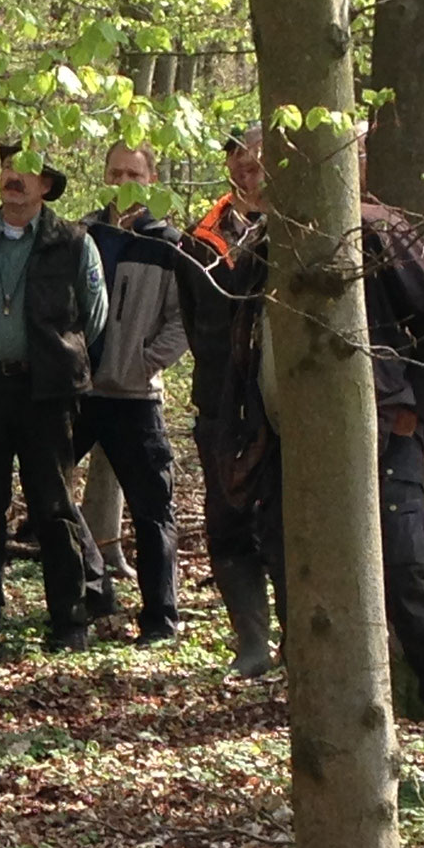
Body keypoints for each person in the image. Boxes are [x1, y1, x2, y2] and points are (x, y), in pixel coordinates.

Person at [218, 131, 424, 778]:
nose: (266, 176)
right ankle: (332, 715)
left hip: (379, 438)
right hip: (283, 443)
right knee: (294, 572)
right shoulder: (259, 244)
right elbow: (237, 347)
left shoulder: (376, 233)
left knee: (404, 572)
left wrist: (409, 415)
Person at [0, 142, 109, 654]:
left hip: (47, 395)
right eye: (8, 168)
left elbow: (95, 315)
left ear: (46, 186)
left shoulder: (74, 242)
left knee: (54, 508)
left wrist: (61, 361)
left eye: (27, 172)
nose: (13, 177)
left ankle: (69, 622)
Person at [73, 141, 189, 643]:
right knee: (45, 491)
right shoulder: (81, 233)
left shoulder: (169, 243)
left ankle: (161, 619)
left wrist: (146, 361)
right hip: (77, 392)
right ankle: (95, 590)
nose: (123, 183)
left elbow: (184, 320)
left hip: (135, 398)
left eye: (134, 174)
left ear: (151, 180)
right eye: (115, 173)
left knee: (152, 510)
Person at [182, 126, 279, 676]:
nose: (248, 166)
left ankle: (302, 640)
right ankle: (252, 643)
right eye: (239, 157)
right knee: (227, 523)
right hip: (220, 406)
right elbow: (193, 321)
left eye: (258, 157)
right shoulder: (201, 236)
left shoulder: (301, 225)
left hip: (285, 405)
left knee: (285, 526)